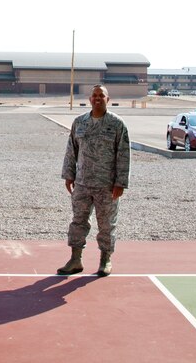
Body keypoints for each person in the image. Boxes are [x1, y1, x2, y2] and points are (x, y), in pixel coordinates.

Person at [57, 84, 130, 277]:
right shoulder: (79, 122)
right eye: (94, 95)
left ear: (108, 99)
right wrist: (69, 175)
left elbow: (123, 155)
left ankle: (105, 259)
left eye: (101, 96)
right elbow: (71, 150)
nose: (97, 98)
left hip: (107, 186)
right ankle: (75, 259)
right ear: (90, 99)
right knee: (78, 221)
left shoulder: (116, 124)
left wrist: (120, 182)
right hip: (82, 183)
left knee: (106, 224)